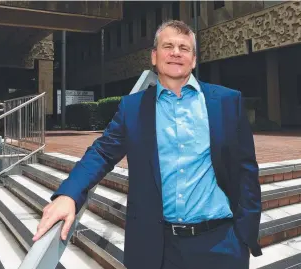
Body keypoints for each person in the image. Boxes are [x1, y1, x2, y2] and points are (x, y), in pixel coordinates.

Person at [33, 20, 262, 269]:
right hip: (157, 249)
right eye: (168, 46)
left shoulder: (227, 102)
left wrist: (244, 235)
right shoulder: (133, 108)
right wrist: (68, 194)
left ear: (194, 59)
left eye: (184, 48)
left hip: (221, 244)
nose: (176, 53)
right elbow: (101, 153)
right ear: (154, 56)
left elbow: (246, 172)